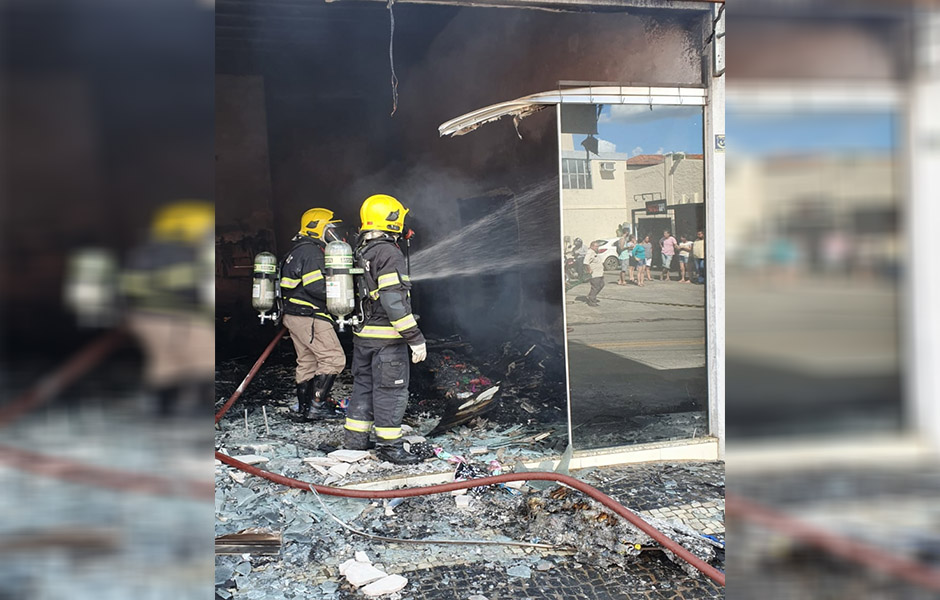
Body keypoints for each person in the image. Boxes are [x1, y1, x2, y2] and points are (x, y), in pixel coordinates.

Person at [345, 194, 427, 465]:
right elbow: (393, 301)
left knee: (364, 386)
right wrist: (415, 338)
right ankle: (390, 449)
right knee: (390, 391)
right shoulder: (389, 252)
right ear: (393, 219)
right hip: (387, 341)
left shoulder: (362, 250)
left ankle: (355, 442)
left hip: (363, 337)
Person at [122, 201, 215, 417]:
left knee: (164, 363)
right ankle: (200, 410)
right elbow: (193, 289)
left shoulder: (145, 251)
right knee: (202, 359)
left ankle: (164, 410)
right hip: (175, 317)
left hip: (143, 316)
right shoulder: (181, 254)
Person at [280, 208, 347, 421]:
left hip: (295, 316)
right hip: (309, 315)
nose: (333, 234)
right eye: (329, 229)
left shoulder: (297, 250)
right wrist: (344, 295)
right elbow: (316, 286)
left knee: (307, 362)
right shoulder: (311, 252)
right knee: (334, 359)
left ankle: (304, 409)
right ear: (317, 228)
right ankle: (317, 407)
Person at [583, 240, 605, 306]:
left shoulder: (594, 252)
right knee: (595, 287)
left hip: (599, 273)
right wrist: (589, 270)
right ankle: (591, 301)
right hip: (594, 274)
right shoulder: (590, 252)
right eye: (596, 246)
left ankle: (591, 296)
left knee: (601, 285)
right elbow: (585, 262)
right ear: (592, 246)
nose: (597, 248)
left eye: (598, 246)